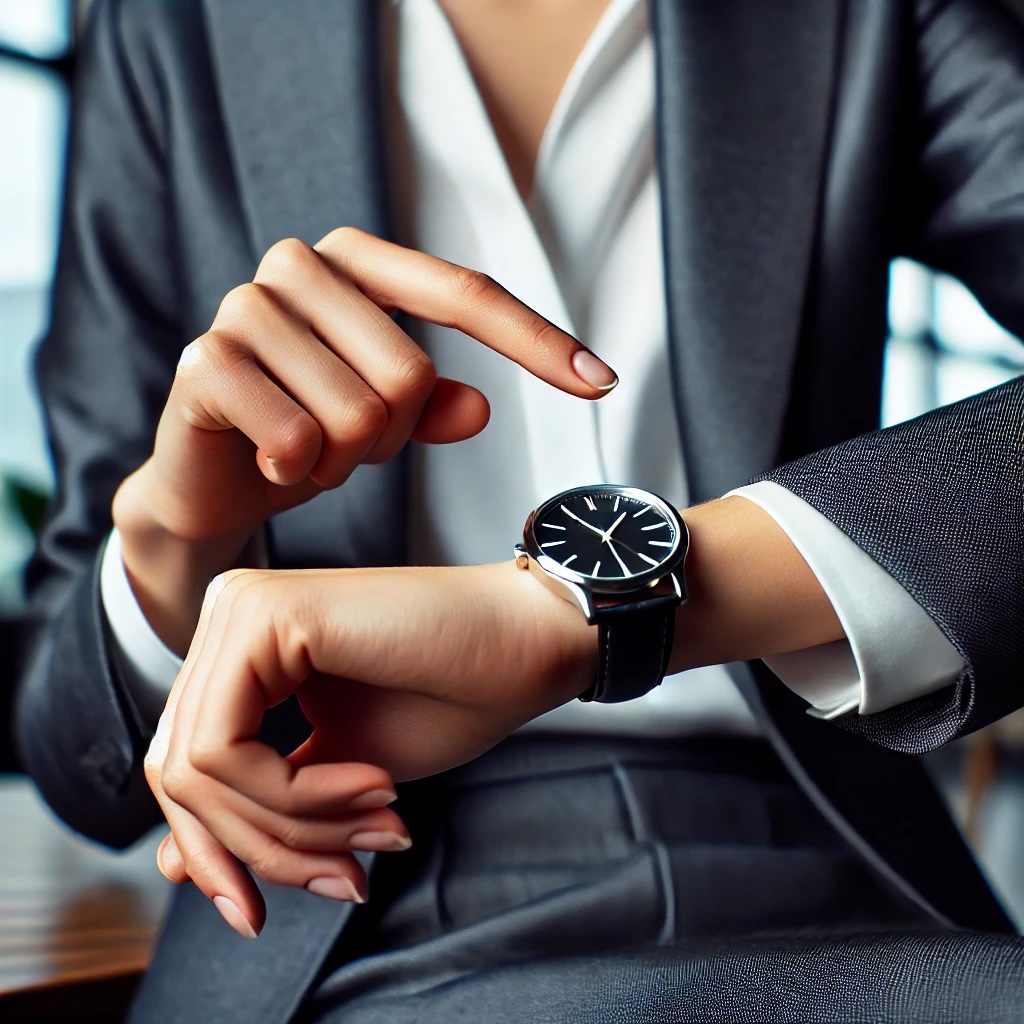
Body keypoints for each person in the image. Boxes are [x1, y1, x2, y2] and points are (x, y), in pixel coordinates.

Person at [15, 0, 1024, 1020]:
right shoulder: (176, 24)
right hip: (362, 896)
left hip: (839, 852)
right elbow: (77, 763)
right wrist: (174, 540)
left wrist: (607, 611)